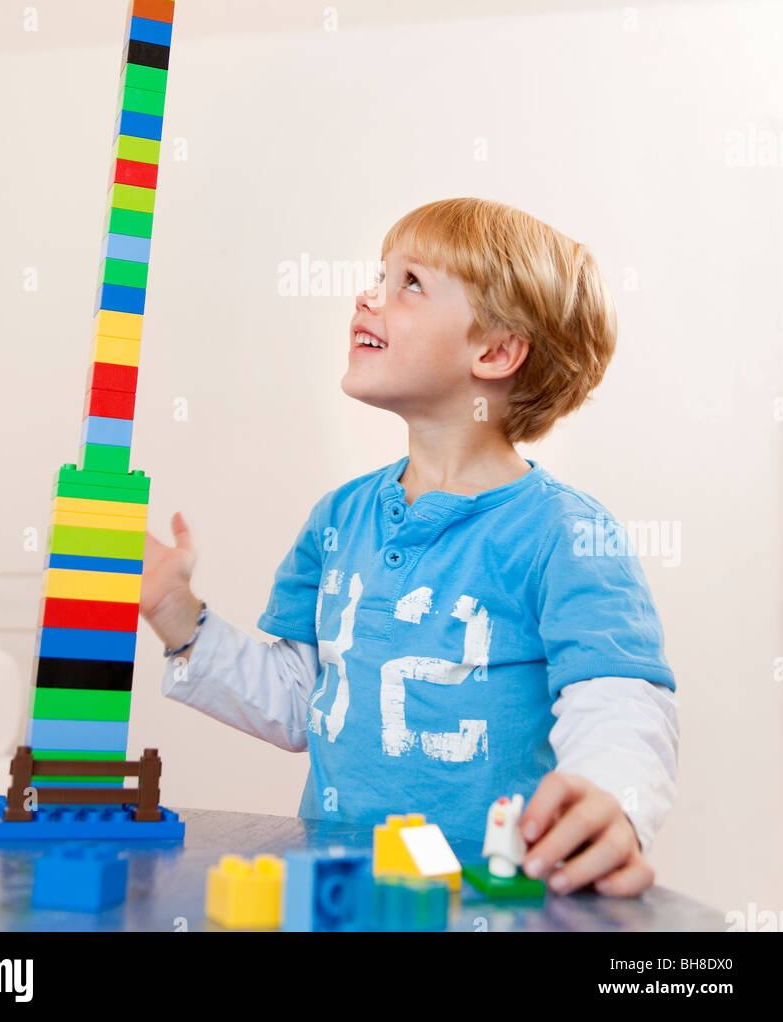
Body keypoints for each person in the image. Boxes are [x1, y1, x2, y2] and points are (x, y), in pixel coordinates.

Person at [142, 196, 678, 897]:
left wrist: (607, 798)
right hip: (338, 891)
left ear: (493, 350)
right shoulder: (339, 518)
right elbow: (305, 699)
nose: (367, 298)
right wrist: (177, 613)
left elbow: (617, 700)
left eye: (409, 284)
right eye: (377, 276)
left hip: (484, 899)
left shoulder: (564, 533)